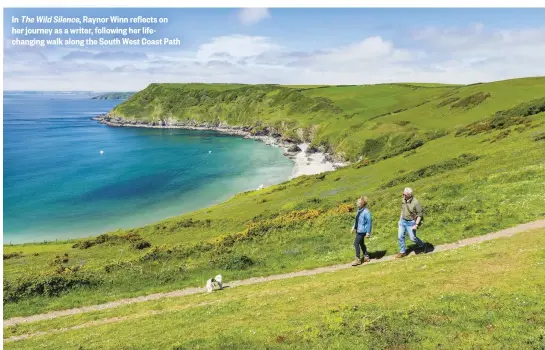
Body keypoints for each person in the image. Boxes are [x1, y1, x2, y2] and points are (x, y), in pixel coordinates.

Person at [396, 187, 427, 258]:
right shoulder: (403, 199)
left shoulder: (416, 203)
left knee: (413, 238)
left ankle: (422, 244)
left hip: (411, 222)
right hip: (402, 221)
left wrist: (416, 224)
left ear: (410, 195)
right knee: (400, 236)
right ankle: (402, 252)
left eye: (405, 195)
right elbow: (402, 210)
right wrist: (400, 220)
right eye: (403, 194)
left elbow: (420, 214)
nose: (404, 196)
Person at [351, 196, 372, 266]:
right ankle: (366, 257)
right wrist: (353, 227)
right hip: (359, 229)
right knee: (361, 244)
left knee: (356, 244)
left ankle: (358, 260)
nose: (357, 203)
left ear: (363, 204)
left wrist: (368, 233)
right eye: (357, 202)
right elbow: (357, 220)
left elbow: (369, 223)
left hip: (362, 231)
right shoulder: (359, 210)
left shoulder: (366, 212)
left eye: (358, 202)